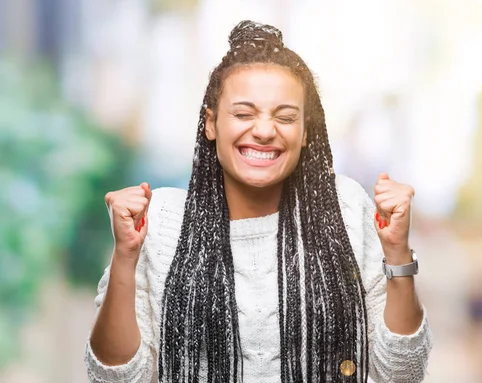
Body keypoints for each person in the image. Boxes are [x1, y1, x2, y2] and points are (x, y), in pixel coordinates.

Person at [85, 20, 432, 383]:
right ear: (211, 123)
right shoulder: (162, 219)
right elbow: (114, 379)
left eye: (285, 117)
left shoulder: (344, 208)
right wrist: (125, 255)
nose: (265, 131)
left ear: (305, 132)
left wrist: (397, 252)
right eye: (244, 114)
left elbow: (401, 374)